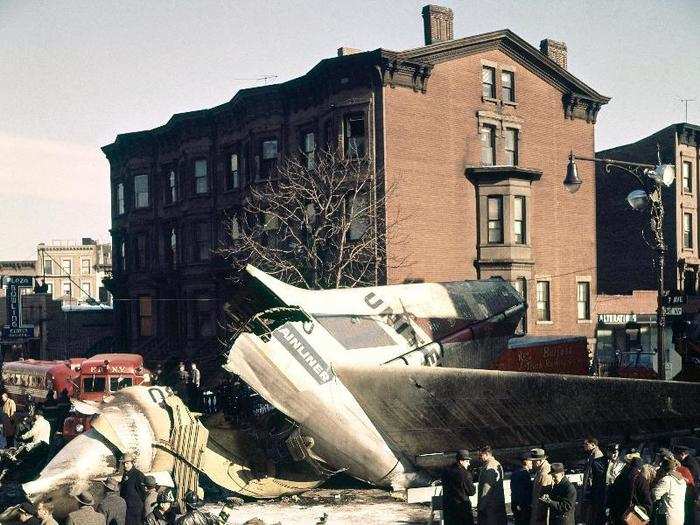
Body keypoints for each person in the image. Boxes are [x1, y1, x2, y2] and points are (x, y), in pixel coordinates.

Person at [608, 451, 652, 525]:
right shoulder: (641, 479)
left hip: (618, 515)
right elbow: (646, 500)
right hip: (633, 517)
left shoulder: (620, 477)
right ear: (639, 467)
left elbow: (612, 495)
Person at [441, 449, 476, 525]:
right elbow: (472, 492)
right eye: (467, 461)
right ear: (461, 461)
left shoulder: (446, 471)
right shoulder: (465, 474)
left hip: (449, 509)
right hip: (462, 509)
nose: (469, 464)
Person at [477, 445, 507, 525]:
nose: (479, 457)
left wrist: (481, 507)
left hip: (490, 507)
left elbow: (486, 490)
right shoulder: (497, 464)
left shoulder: (489, 467)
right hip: (496, 505)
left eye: (480, 455)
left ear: (486, 454)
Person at [652, 456, 687, 525]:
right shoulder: (683, 481)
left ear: (664, 469)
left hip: (666, 517)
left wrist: (653, 487)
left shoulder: (666, 480)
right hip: (679, 517)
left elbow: (655, 495)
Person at [119, 453, 146, 525]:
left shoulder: (138, 475)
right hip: (127, 508)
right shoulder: (125, 474)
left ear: (132, 463)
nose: (125, 465)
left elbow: (143, 493)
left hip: (136, 510)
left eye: (127, 463)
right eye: (123, 463)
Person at [529, 448, 553, 525]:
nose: (532, 463)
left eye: (533, 461)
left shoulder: (544, 474)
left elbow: (544, 497)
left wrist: (539, 515)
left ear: (540, 461)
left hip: (541, 512)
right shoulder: (541, 470)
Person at [511, 453, 534, 525]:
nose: (532, 463)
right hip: (523, 506)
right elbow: (523, 493)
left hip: (516, 505)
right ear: (526, 462)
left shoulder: (516, 472)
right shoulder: (524, 474)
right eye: (531, 461)